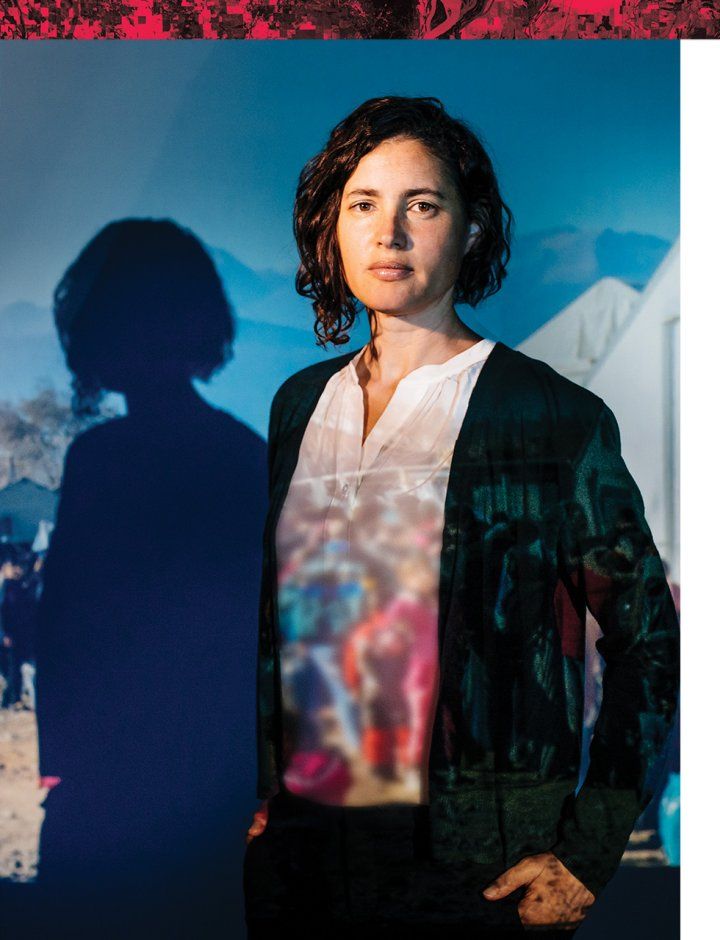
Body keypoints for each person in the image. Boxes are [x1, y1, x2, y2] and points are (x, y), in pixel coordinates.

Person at [243, 96, 680, 938]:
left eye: (424, 205)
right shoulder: (299, 405)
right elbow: (290, 628)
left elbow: (649, 641)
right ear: (330, 225)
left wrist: (589, 851)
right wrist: (273, 800)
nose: (390, 234)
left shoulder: (550, 416)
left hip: (473, 871)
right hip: (305, 862)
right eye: (363, 204)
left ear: (472, 229)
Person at [32, 219, 268, 939]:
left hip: (108, 790)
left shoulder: (101, 462)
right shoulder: (246, 456)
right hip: (212, 792)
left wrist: (60, 763)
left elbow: (64, 629)